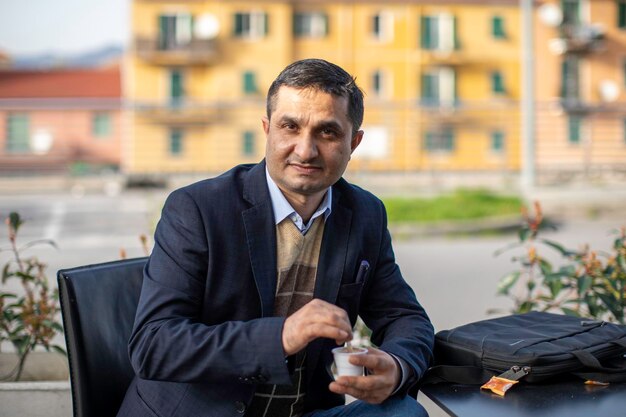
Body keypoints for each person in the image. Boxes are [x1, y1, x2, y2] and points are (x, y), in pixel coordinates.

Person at [117, 58, 434, 417]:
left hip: (305, 412)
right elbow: (154, 345)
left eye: (327, 132)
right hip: (200, 412)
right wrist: (281, 336)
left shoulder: (364, 213)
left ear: (354, 142)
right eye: (290, 127)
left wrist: (396, 367)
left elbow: (405, 318)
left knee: (404, 412)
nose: (305, 150)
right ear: (267, 129)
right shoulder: (197, 209)